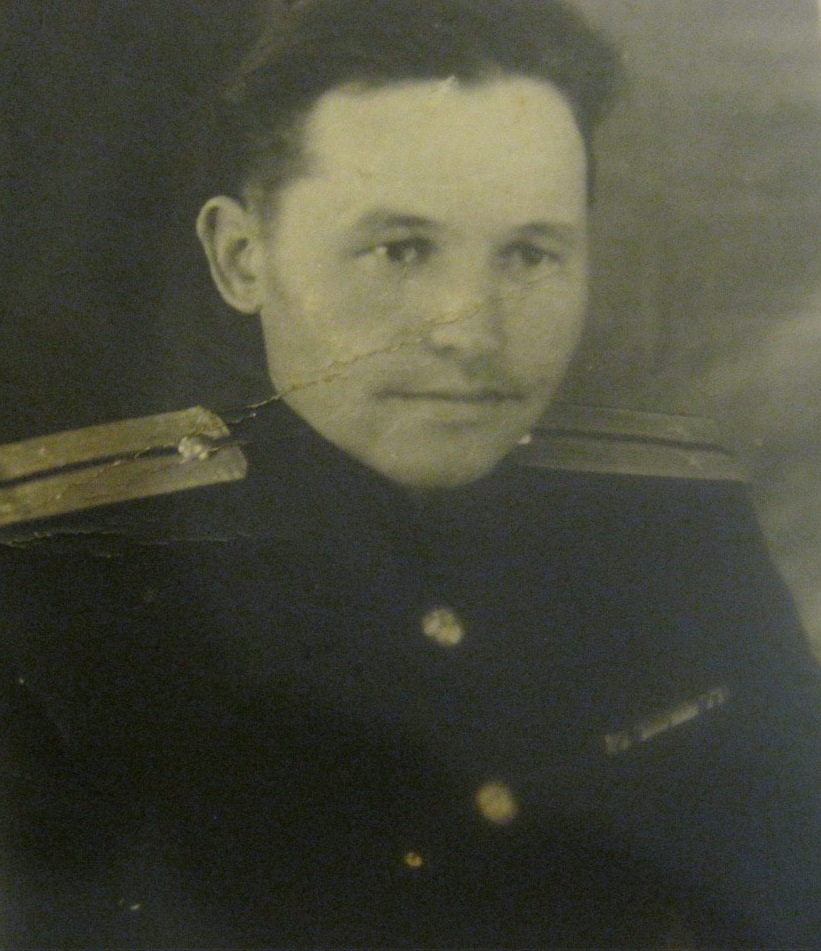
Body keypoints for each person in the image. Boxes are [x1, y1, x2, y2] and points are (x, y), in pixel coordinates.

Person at [0, 0, 819, 947]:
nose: (471, 332)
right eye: (400, 250)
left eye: (530, 253)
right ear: (240, 258)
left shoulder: (674, 525)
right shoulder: (58, 578)